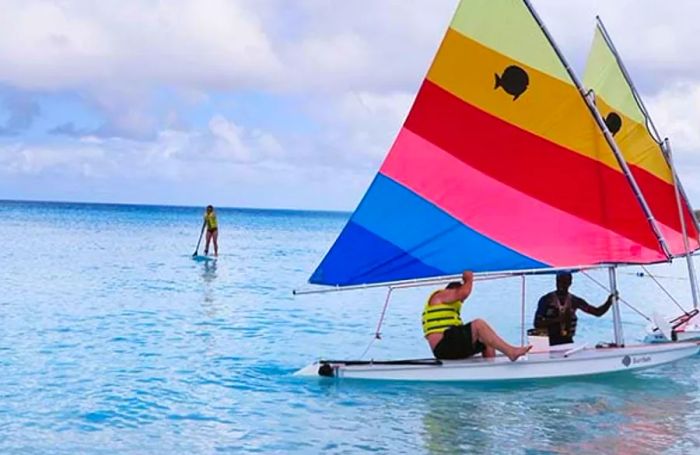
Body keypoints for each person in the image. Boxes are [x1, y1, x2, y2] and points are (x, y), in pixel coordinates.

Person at [422, 271, 531, 361]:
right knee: (478, 324)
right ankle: (510, 352)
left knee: (487, 338)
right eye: (460, 301)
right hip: (443, 348)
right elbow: (463, 292)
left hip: (451, 347)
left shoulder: (449, 309)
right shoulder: (439, 296)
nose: (461, 302)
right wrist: (469, 278)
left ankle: (491, 368)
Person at [531, 272, 615, 346]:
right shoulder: (546, 300)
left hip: (567, 341)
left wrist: (609, 301)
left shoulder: (575, 301)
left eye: (564, 282)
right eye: (559, 281)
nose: (561, 285)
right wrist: (558, 320)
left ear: (570, 283)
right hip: (548, 342)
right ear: (556, 281)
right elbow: (536, 323)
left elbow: (597, 312)